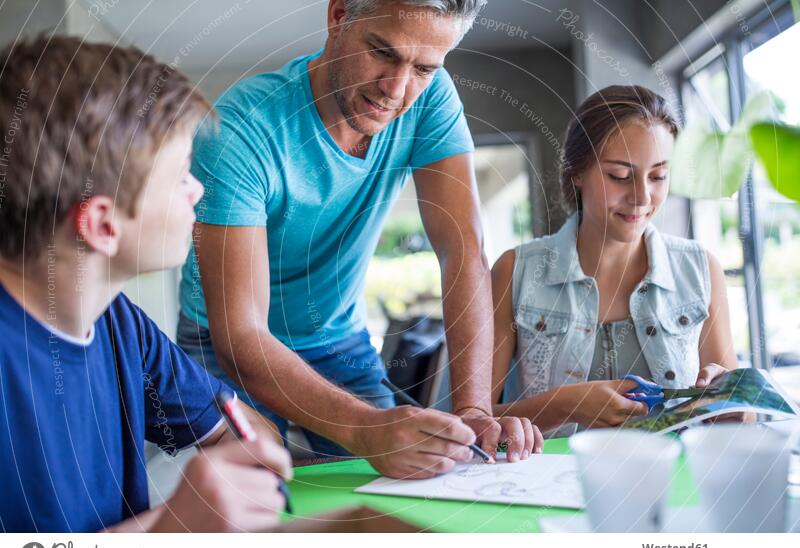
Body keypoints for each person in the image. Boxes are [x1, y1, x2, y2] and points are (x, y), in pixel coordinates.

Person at [179, 0, 541, 476]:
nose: (396, 89)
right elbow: (243, 335)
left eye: (424, 68)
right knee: (250, 500)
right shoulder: (241, 130)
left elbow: (463, 249)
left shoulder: (431, 99)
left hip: (337, 337)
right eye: (381, 51)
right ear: (338, 15)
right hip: (222, 342)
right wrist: (367, 429)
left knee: (407, 486)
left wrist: (475, 409)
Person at [0, 36, 291, 532]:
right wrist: (171, 530)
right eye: (180, 175)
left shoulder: (117, 321)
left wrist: (246, 463)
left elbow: (242, 432)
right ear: (103, 226)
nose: (196, 188)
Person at [490, 85, 738, 437]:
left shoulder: (700, 270)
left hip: (673, 484)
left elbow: (736, 414)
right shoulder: (516, 271)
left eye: (658, 176)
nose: (641, 197)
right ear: (577, 173)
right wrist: (565, 405)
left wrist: (730, 401)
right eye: (620, 176)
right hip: (548, 488)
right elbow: (471, 421)